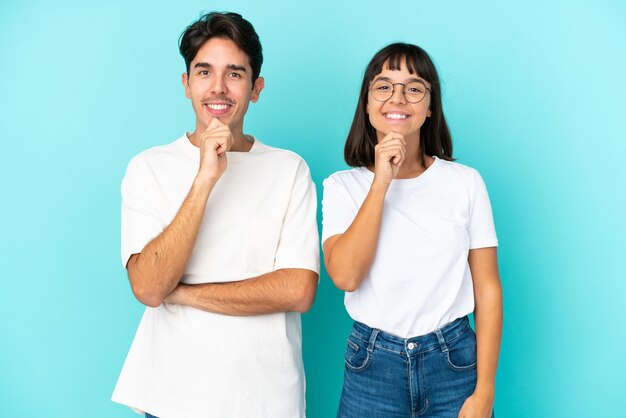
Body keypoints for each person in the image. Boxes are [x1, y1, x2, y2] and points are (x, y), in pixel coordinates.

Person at [112, 12, 320, 418]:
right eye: (204, 72)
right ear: (186, 84)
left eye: (235, 74)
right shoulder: (148, 168)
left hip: (267, 400)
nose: (218, 88)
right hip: (172, 399)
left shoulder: (289, 169)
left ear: (256, 88)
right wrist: (205, 178)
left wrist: (186, 293)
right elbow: (151, 287)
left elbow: (297, 290)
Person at [321, 43, 502, 418]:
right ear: (368, 104)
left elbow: (487, 288)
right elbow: (346, 275)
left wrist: (484, 393)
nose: (398, 98)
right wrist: (381, 181)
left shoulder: (465, 182)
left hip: (453, 362)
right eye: (384, 86)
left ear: (430, 107)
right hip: (372, 366)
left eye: (414, 87)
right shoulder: (341, 187)